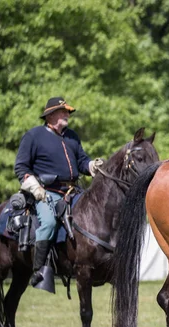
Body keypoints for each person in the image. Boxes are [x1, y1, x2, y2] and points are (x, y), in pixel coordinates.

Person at [14, 97, 104, 288]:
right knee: (47, 222)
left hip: (74, 191)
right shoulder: (33, 136)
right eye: (63, 112)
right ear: (50, 115)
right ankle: (39, 270)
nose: (67, 115)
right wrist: (34, 187)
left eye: (67, 112)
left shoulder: (71, 136)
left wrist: (92, 165)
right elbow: (21, 167)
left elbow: (82, 162)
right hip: (46, 192)